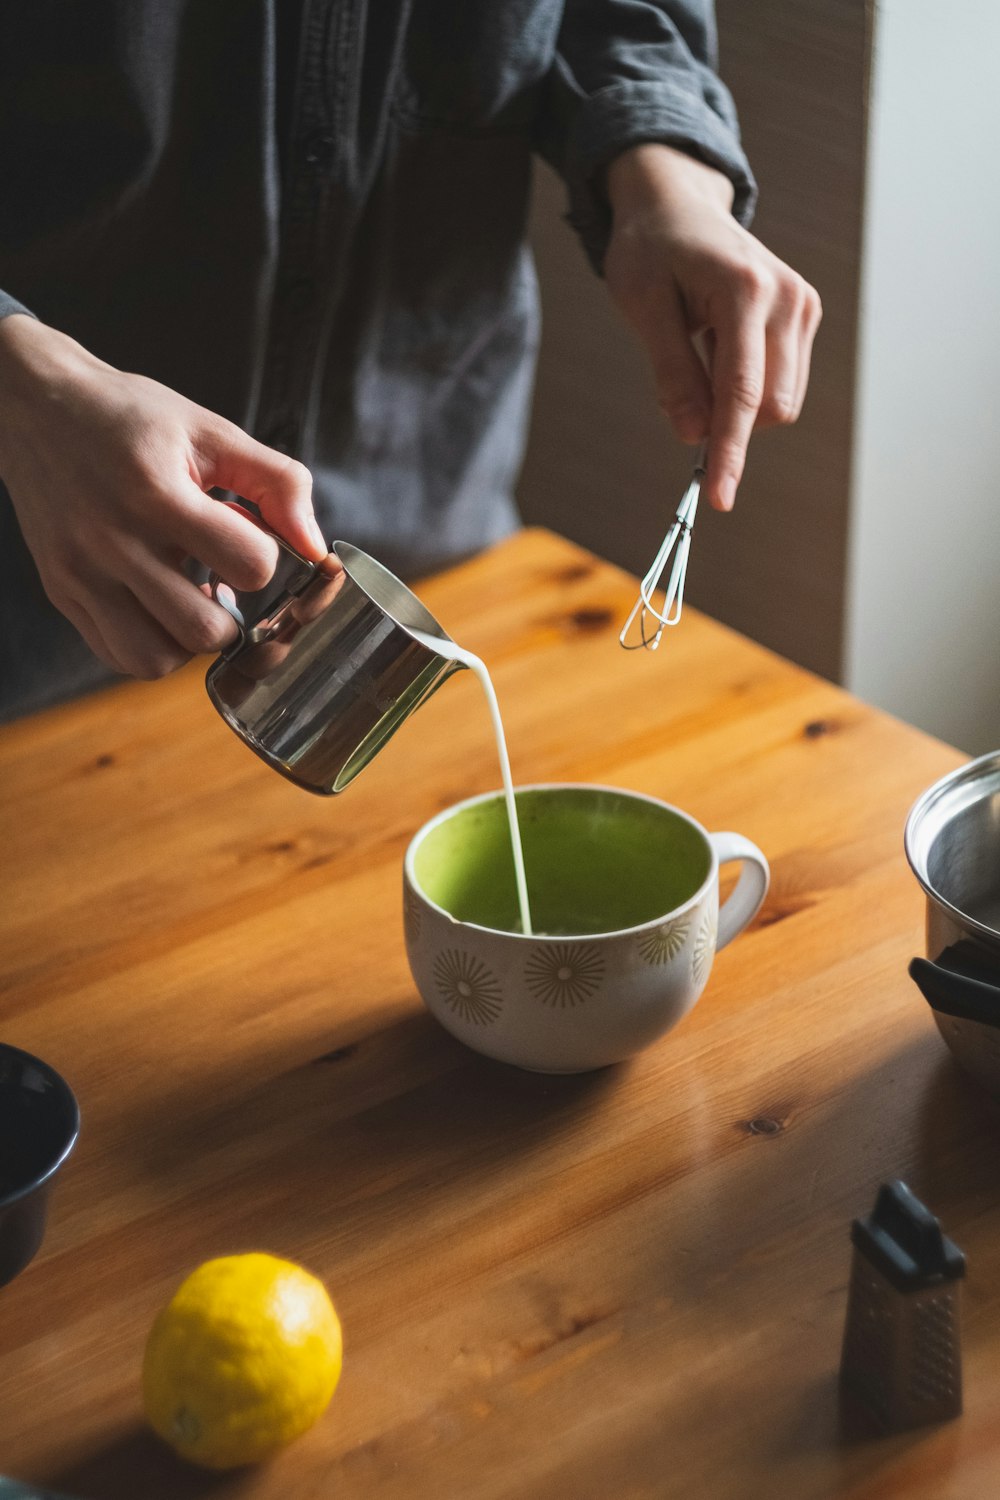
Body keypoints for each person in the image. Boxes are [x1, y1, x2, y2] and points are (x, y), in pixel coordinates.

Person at [0, 1, 820, 722]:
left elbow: (615, 15)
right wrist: (24, 387)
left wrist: (666, 175)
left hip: (436, 529)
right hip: (28, 610)